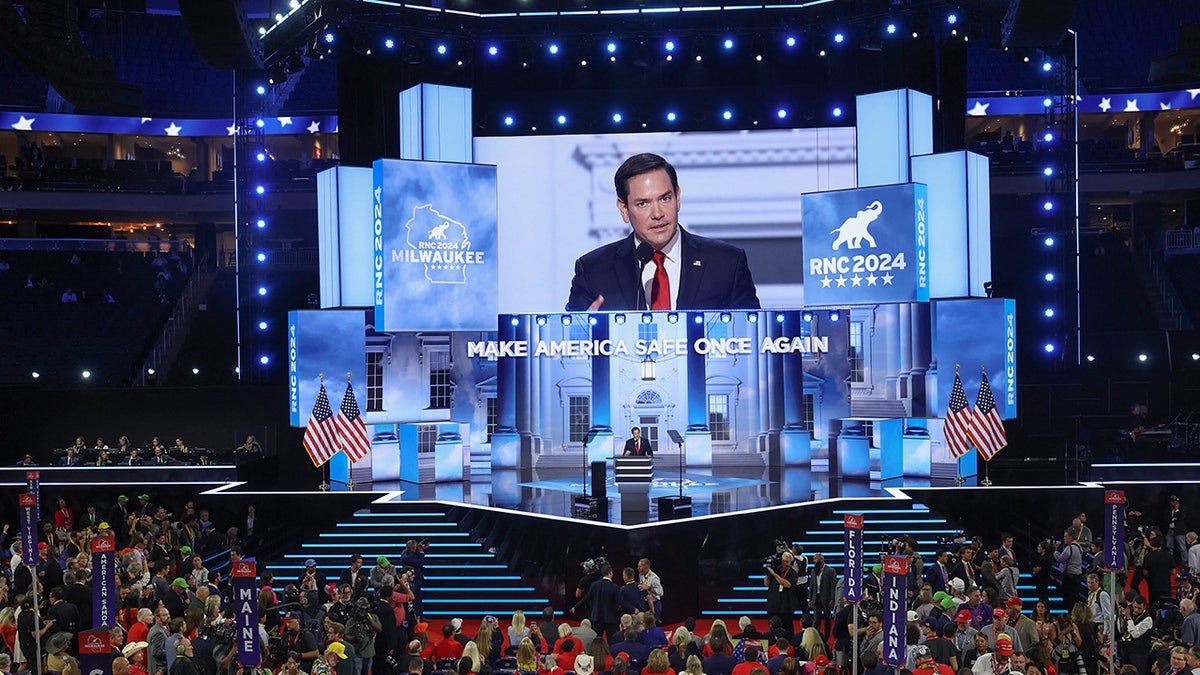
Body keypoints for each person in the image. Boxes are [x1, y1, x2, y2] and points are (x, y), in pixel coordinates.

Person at [565, 152, 761, 312]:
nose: (657, 214)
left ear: (678, 197)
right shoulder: (594, 271)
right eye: (643, 203)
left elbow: (753, 339)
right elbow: (568, 348)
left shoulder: (726, 262)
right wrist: (582, 333)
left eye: (665, 199)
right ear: (624, 209)